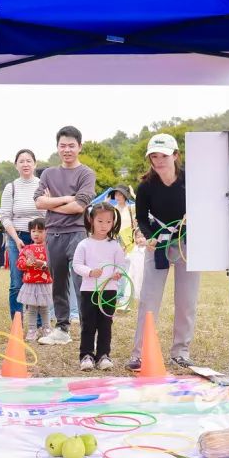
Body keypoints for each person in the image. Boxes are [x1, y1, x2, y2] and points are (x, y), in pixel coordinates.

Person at [128, 134, 200, 372]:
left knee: (187, 299)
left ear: (175, 155)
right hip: (158, 242)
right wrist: (149, 236)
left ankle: (180, 351)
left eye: (164, 156)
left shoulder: (191, 180)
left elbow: (206, 207)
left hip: (188, 241)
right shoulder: (146, 186)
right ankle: (140, 353)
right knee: (149, 298)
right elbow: (141, 217)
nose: (158, 161)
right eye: (154, 156)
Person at [35, 126, 96, 345]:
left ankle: (89, 329)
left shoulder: (86, 173)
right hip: (53, 234)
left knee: (82, 282)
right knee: (58, 282)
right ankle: (62, 328)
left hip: (77, 233)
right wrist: (67, 198)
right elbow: (38, 202)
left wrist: (52, 203)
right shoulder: (48, 173)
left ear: (79, 147)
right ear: (57, 147)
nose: (67, 150)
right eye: (63, 146)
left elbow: (79, 206)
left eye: (71, 145)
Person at [73, 203, 129, 372]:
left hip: (109, 291)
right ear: (91, 220)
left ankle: (103, 355)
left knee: (105, 324)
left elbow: (121, 265)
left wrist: (118, 274)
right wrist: (90, 272)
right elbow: (77, 265)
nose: (104, 225)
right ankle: (86, 355)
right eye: (100, 221)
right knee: (88, 324)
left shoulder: (114, 245)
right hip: (89, 290)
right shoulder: (84, 244)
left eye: (108, 222)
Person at [0, 149, 45, 320]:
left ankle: (40, 323)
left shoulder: (43, 186)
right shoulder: (10, 188)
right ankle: (17, 322)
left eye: (29, 161)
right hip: (17, 238)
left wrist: (43, 238)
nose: (25, 164)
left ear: (35, 164)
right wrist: (16, 238)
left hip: (40, 240)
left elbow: (49, 214)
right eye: (21, 161)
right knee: (16, 282)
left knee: (39, 280)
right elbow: (5, 217)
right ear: (16, 165)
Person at [16, 217, 53, 343]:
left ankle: (47, 328)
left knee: (44, 308)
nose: (36, 234)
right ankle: (32, 329)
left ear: (47, 232)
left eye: (40, 231)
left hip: (45, 283)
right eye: (33, 231)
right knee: (31, 308)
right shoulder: (26, 249)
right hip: (30, 283)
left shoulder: (49, 248)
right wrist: (26, 263)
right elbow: (19, 264)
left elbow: (52, 265)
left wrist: (42, 264)